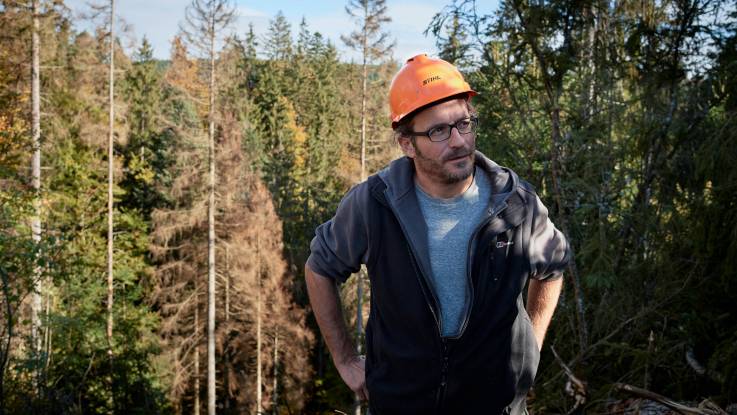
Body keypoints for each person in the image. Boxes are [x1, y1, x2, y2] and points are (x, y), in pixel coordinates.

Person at [305, 54, 570, 414]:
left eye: (463, 124)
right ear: (406, 144)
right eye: (438, 131)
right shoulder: (374, 204)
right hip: (401, 402)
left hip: (497, 405)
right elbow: (320, 268)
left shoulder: (516, 204)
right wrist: (345, 360)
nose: (459, 141)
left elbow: (552, 269)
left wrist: (531, 348)